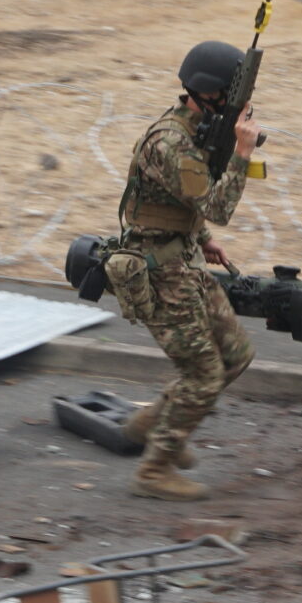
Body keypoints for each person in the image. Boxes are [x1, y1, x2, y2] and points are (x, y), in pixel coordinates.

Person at [102, 41, 262, 500]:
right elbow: (218, 204)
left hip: (182, 257)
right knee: (203, 374)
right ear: (208, 93)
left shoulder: (198, 131)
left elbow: (182, 203)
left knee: (236, 355)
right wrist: (242, 154)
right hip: (158, 272)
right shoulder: (171, 141)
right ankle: (155, 468)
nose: (242, 107)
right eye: (233, 96)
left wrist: (200, 236)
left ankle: (152, 424)